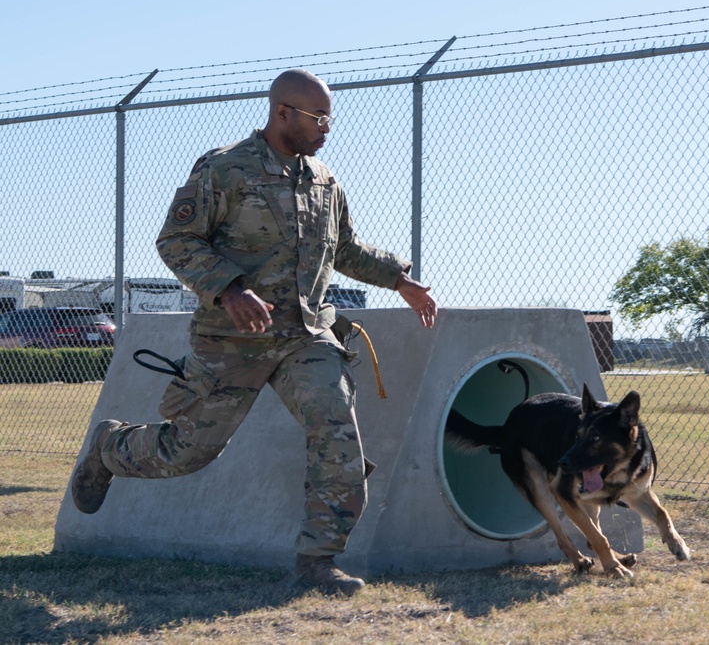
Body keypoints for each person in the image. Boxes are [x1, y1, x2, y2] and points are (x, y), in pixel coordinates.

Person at [70, 69, 437, 596]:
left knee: (337, 434)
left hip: (306, 335)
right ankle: (110, 446)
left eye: (330, 117)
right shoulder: (224, 169)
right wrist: (229, 288)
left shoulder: (326, 182)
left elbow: (347, 250)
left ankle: (317, 562)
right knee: (186, 452)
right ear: (282, 112)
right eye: (317, 117)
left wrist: (401, 280)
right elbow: (176, 240)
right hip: (230, 339)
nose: (326, 127)